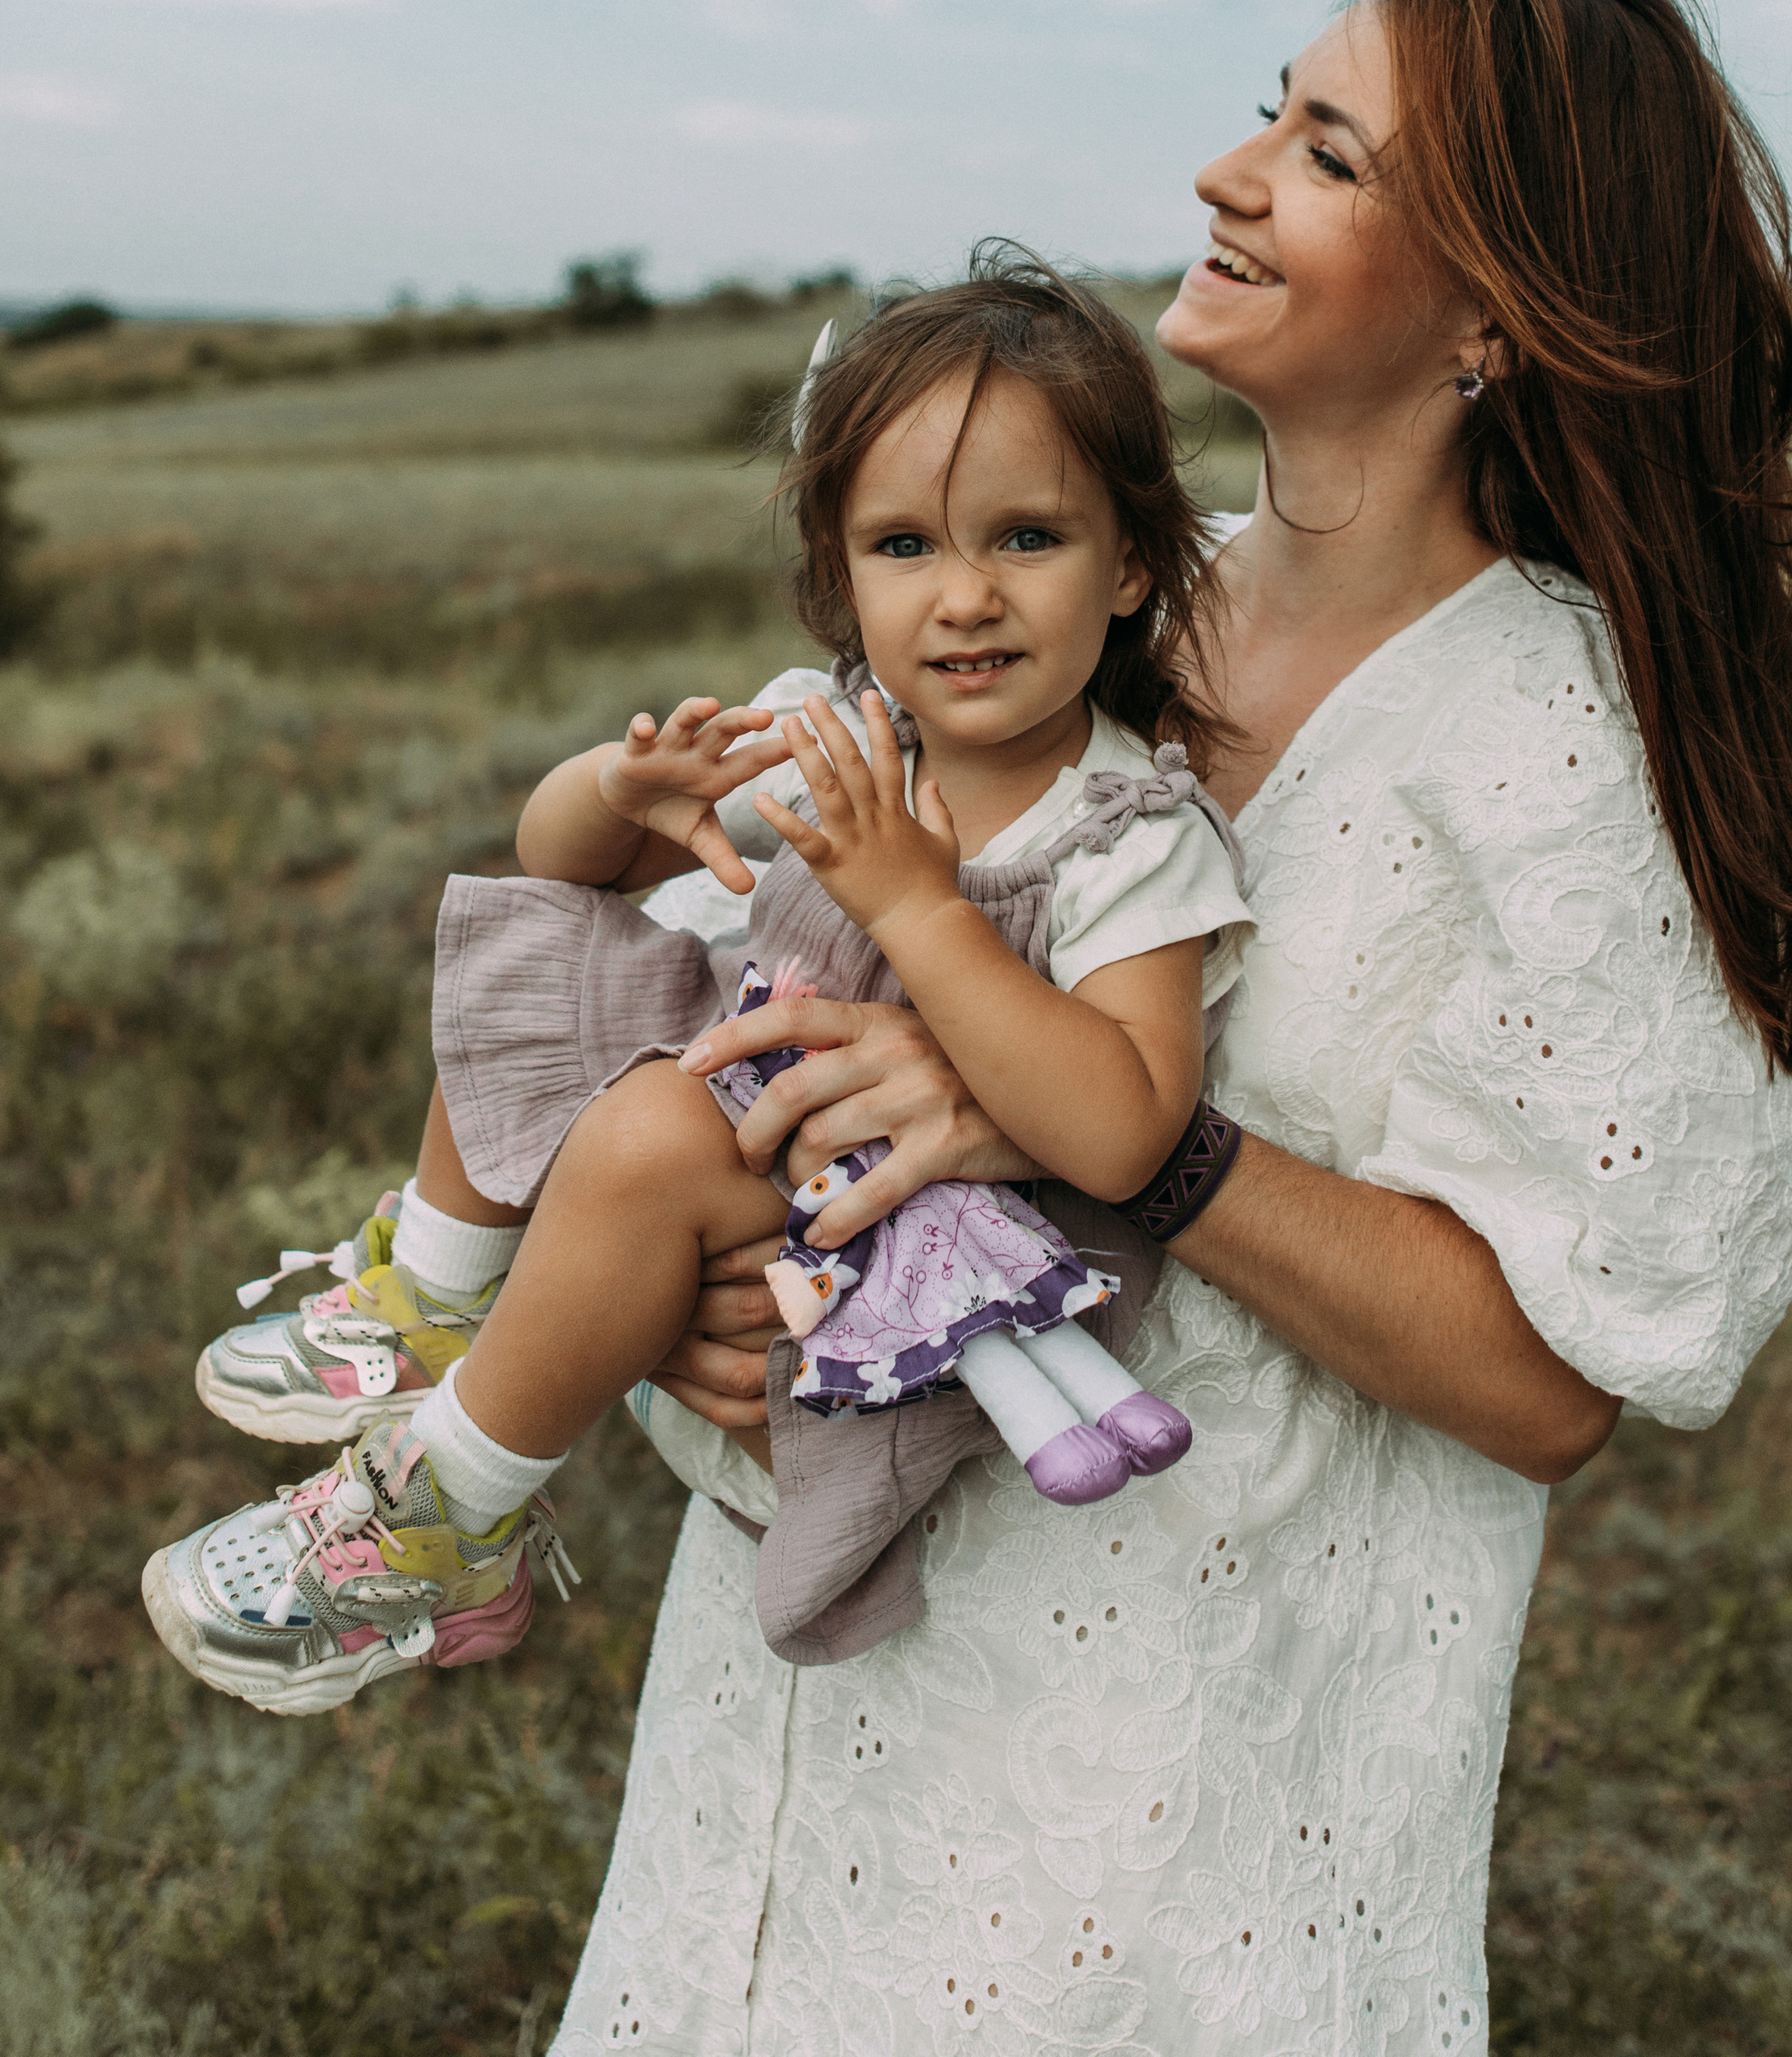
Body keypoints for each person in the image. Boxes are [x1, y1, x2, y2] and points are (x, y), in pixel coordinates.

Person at [546, 0, 1792, 2056]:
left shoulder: (1555, 750)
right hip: (798, 1745)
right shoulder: (1077, 617)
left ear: (1496, 312)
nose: (1228, 171)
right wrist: (706, 1299)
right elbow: (765, 1008)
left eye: (1331, 153)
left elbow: (1556, 1382)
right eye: (1269, 111)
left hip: (1175, 1841)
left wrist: (1141, 1153)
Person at [142, 265, 1257, 1711]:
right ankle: (430, 1294)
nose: (966, 595)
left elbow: (1125, 1130)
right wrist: (620, 793)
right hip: (767, 1119)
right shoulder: (840, 725)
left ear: (1126, 566)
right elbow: (559, 870)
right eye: (905, 543)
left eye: (1028, 537)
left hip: (917, 1224)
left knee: (655, 1130)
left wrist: (919, 906)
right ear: (841, 577)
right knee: (560, 945)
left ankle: (443, 1523)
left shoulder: (1127, 836)